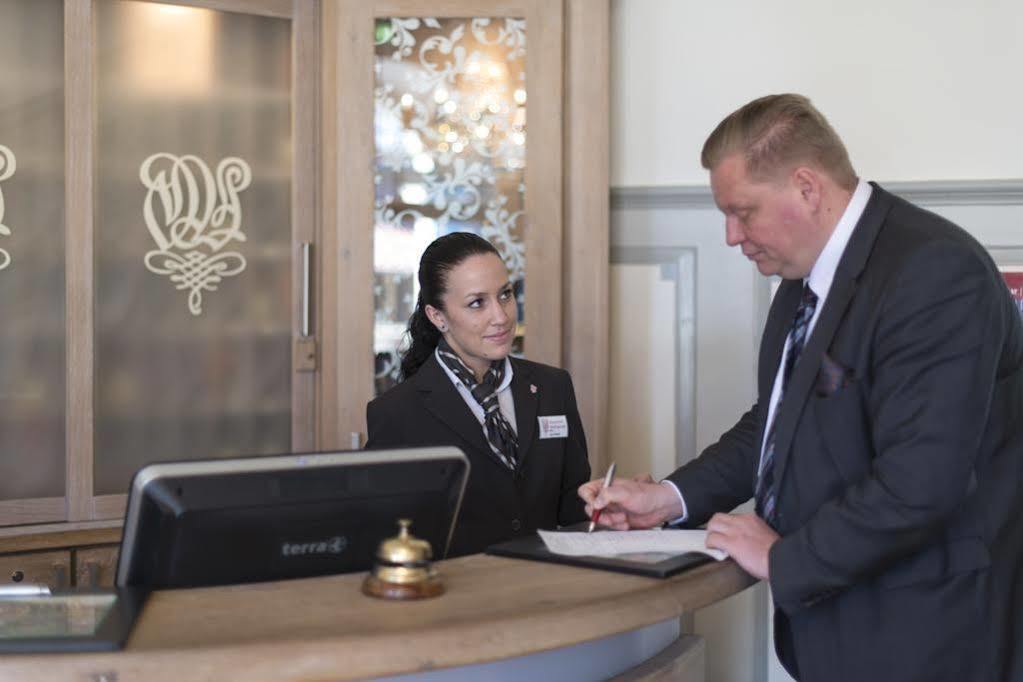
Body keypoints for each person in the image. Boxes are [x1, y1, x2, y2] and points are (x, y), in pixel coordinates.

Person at [580, 94, 1022, 682]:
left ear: (807, 188)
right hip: (844, 618)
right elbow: (778, 420)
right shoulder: (804, 269)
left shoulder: (935, 271)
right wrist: (670, 497)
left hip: (924, 628)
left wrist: (786, 558)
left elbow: (922, 483)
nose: (732, 236)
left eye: (743, 212)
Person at [366, 232, 591, 557]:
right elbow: (389, 535)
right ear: (437, 316)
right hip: (455, 598)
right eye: (477, 303)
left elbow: (574, 505)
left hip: (548, 588)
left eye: (505, 295)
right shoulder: (397, 413)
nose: (501, 317)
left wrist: (608, 503)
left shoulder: (554, 388)